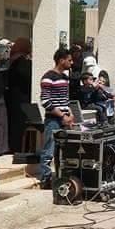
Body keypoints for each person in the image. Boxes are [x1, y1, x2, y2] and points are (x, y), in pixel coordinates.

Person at [39, 48, 74, 189]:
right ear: (61, 60)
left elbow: (65, 99)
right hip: (53, 120)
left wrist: (70, 113)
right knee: (49, 150)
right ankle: (45, 179)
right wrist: (61, 115)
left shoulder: (65, 78)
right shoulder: (48, 77)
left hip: (65, 119)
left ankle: (61, 177)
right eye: (69, 60)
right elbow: (45, 101)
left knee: (64, 151)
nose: (71, 63)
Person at [5, 37, 32, 153]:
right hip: (20, 98)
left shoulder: (16, 61)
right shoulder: (21, 62)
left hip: (16, 98)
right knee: (19, 125)